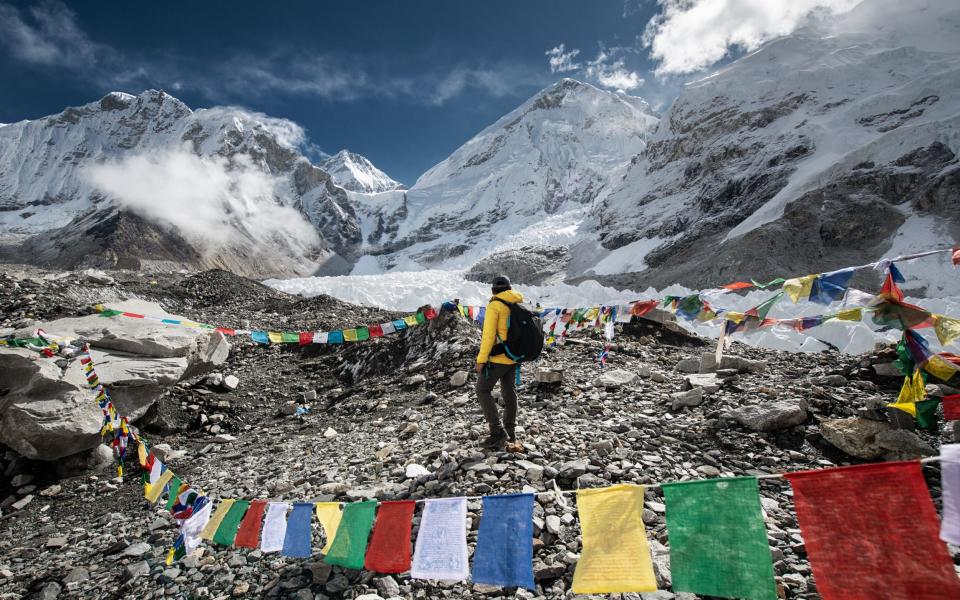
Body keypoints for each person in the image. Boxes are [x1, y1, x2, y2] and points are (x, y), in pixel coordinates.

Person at [475, 275, 523, 449]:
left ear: (493, 290)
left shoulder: (495, 305)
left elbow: (488, 336)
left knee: (482, 390)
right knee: (509, 391)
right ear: (509, 288)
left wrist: (481, 360)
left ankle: (497, 431)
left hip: (498, 357)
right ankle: (510, 432)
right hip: (514, 355)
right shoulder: (516, 301)